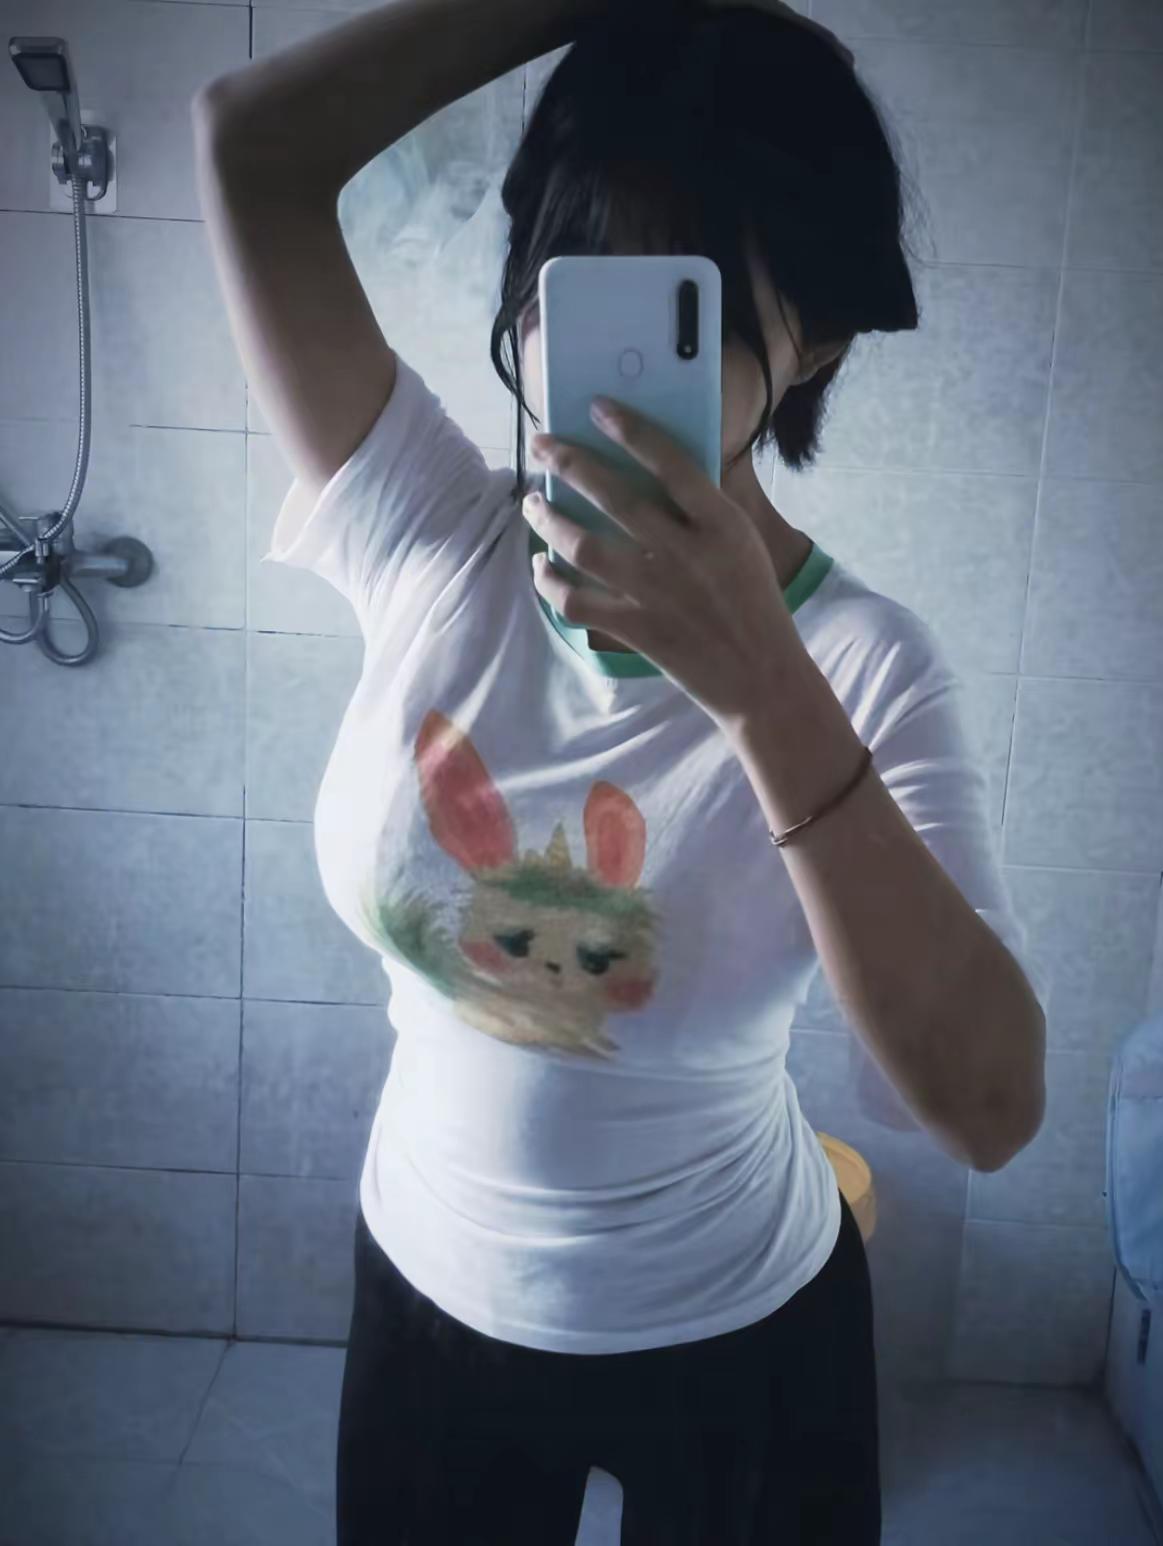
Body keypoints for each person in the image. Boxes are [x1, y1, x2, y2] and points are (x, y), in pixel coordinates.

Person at [192, 2, 1049, 1541]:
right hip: (430, 1302)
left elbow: (987, 1108)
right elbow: (250, 150)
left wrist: (762, 688)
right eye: (570, 278)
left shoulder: (864, 666)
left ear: (813, 343)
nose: (587, 364)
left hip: (742, 1336)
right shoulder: (432, 534)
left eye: (685, 302)